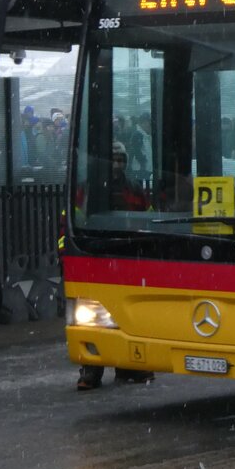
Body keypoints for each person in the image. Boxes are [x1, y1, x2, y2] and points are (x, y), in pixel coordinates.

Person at [78, 140, 154, 390]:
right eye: (113, 159)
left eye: (121, 160)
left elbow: (147, 218)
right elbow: (72, 220)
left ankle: (129, 366)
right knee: (93, 317)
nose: (117, 164)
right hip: (97, 257)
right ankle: (91, 369)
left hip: (127, 259)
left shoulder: (133, 188)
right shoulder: (88, 189)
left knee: (127, 317)